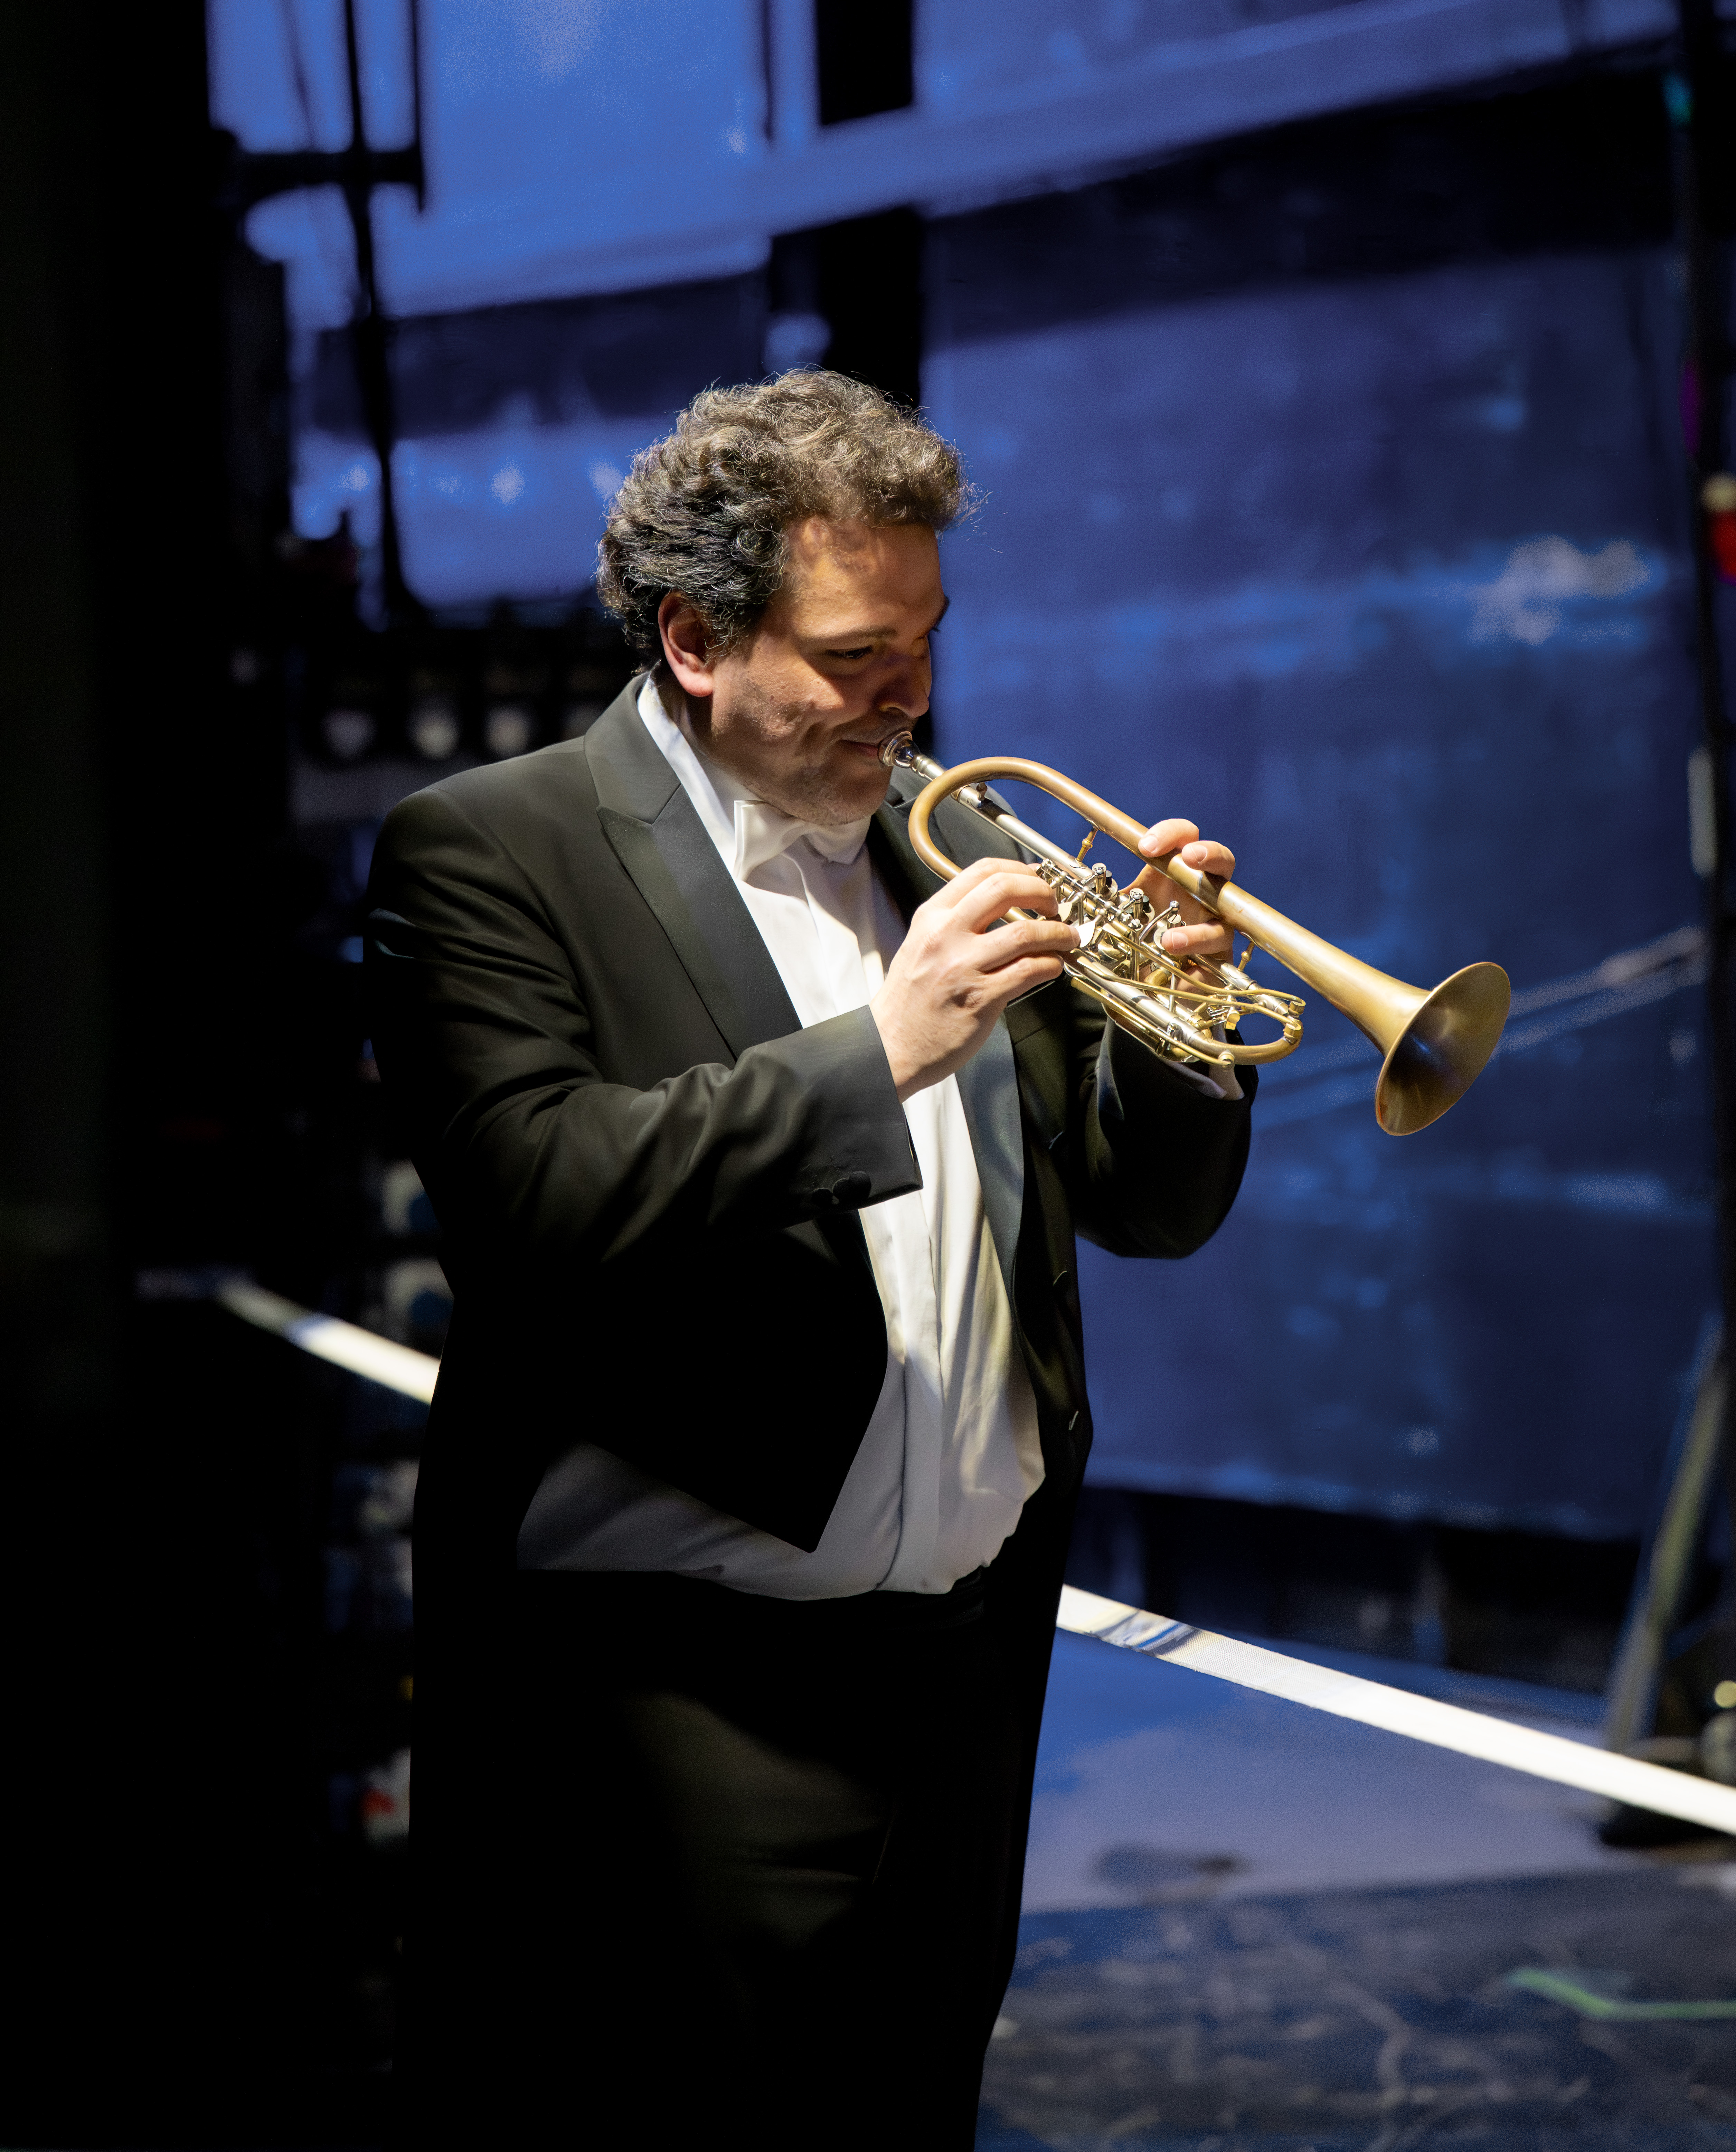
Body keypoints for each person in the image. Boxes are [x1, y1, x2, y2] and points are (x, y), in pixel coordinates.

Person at [367, 369, 1253, 2149]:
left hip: (962, 1678)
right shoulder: (494, 850)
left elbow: (1146, 1212)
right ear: (694, 640)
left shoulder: (960, 850)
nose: (907, 694)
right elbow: (539, 1199)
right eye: (854, 655)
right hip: (669, 1701)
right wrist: (883, 1049)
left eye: (922, 640)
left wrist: (1181, 1024)